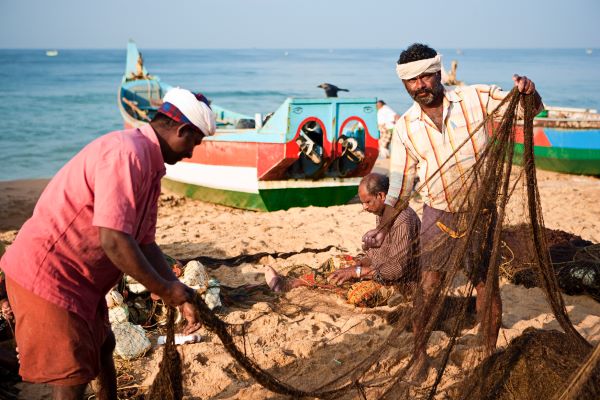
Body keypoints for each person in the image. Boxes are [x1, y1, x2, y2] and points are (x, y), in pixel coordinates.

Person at [0, 87, 216, 400]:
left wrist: (176, 292)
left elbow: (144, 243)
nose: (191, 153)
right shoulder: (126, 153)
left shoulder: (151, 166)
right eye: (193, 142)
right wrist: (166, 289)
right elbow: (114, 241)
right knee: (72, 375)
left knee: (104, 345)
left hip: (82, 282)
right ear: (180, 130)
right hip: (49, 275)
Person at [362, 43, 543, 381]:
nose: (421, 86)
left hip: (482, 212)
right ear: (404, 84)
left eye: (426, 77)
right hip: (438, 215)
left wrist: (528, 92)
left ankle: (488, 351)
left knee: (486, 286)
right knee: (428, 287)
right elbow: (400, 189)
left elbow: (528, 111)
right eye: (411, 81)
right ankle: (419, 356)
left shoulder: (475, 98)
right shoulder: (405, 127)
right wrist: (383, 228)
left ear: (439, 73)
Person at [265, 173, 420, 298]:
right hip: (379, 268)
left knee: (355, 293)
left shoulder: (403, 220)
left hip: (401, 283)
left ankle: (293, 284)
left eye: (367, 202)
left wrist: (357, 271)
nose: (364, 207)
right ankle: (295, 281)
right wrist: (361, 260)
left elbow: (397, 269)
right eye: (362, 203)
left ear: (381, 196)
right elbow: (381, 252)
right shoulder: (382, 211)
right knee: (337, 263)